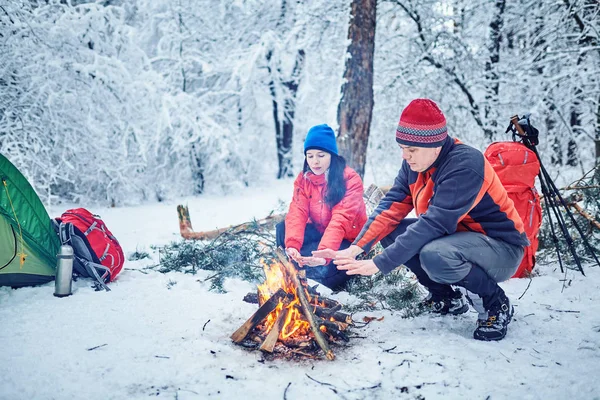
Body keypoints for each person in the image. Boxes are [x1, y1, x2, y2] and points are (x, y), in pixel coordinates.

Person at [314, 99, 528, 341]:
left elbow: (435, 223)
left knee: (434, 253)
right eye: (402, 148)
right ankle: (446, 298)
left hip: (501, 249)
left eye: (411, 150)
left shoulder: (465, 165)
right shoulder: (415, 165)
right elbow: (390, 208)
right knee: (393, 231)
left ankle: (495, 304)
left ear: (435, 145)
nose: (405, 156)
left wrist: (380, 263)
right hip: (458, 240)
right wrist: (356, 248)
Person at [276, 124, 367, 291]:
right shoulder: (304, 179)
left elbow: (340, 220)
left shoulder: (350, 180)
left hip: (347, 241)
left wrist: (324, 254)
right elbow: (297, 212)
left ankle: (316, 277)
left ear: (331, 155)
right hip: (321, 233)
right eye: (310, 156)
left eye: (321, 155)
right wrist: (293, 246)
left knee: (326, 272)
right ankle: (297, 267)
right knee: (282, 228)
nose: (315, 161)